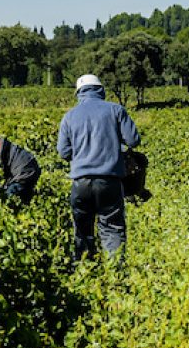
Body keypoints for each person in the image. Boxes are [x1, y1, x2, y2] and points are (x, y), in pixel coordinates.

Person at [57, 74, 141, 259]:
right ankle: (115, 276)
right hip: (109, 180)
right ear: (101, 90)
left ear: (79, 93)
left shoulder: (69, 116)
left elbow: (63, 152)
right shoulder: (116, 110)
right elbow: (133, 140)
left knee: (83, 229)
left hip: (81, 183)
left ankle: (85, 271)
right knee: (112, 228)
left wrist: (82, 154)